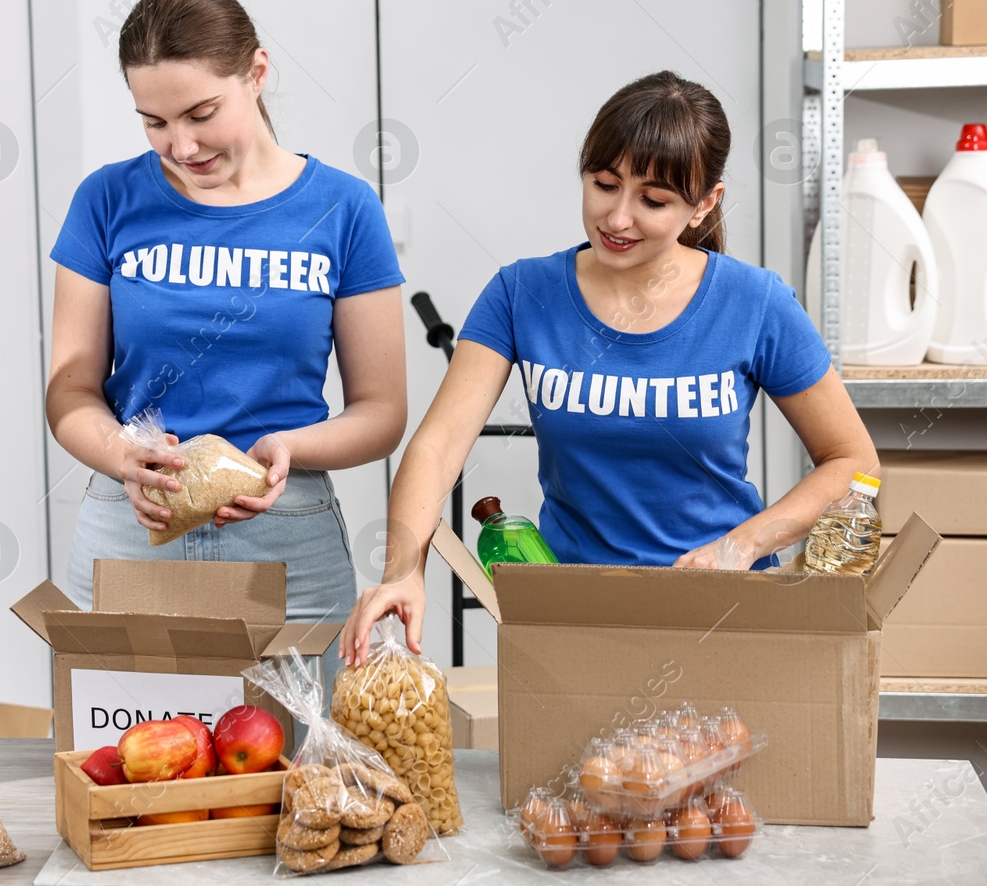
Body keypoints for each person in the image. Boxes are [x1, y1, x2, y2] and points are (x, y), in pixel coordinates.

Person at [341, 70, 879, 665]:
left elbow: (853, 461)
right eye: (603, 184)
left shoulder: (755, 303)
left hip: (722, 617)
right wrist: (402, 570)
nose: (617, 218)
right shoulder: (523, 293)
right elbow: (438, 447)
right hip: (571, 623)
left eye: (653, 200)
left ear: (704, 205)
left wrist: (742, 545)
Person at [46, 0, 408, 681]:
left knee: (298, 782)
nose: (180, 145)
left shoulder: (343, 209)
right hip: (132, 525)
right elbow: (70, 389)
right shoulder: (106, 201)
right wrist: (121, 453)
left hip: (287, 537)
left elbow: (382, 411)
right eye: (153, 121)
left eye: (201, 113)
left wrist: (287, 448)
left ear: (257, 73)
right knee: (125, 772)